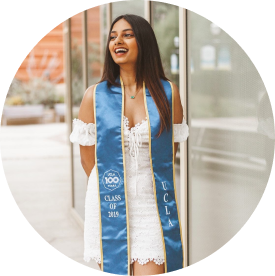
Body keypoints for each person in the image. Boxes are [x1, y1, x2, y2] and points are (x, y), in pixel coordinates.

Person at [70, 14, 189, 276]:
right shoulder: (95, 96)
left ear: (144, 41)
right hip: (108, 205)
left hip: (152, 206)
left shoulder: (168, 93)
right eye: (112, 36)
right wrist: (113, 186)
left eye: (127, 34)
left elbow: (169, 153)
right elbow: (88, 159)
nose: (117, 41)